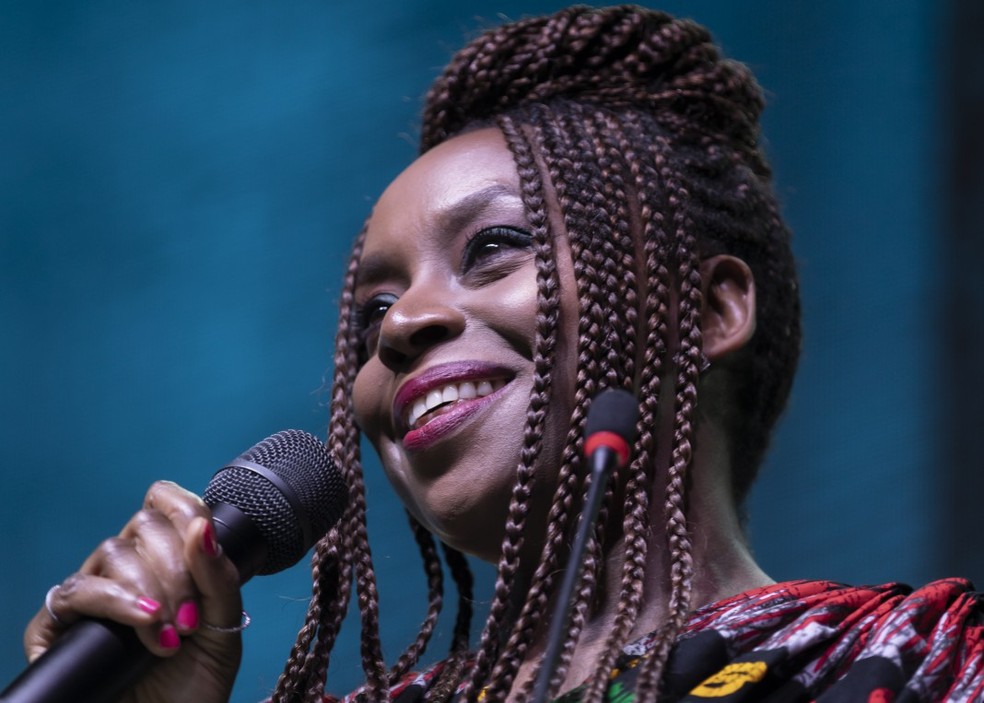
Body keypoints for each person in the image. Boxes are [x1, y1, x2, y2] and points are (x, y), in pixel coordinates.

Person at [23, 5, 983, 703]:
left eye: (492, 248)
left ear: (712, 308)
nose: (399, 330)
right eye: (372, 317)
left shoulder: (921, 665)